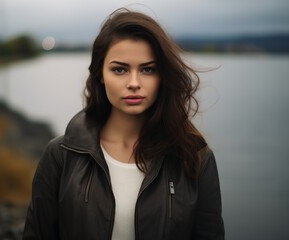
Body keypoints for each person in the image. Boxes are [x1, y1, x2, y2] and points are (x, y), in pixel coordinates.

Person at [23, 8, 224, 240]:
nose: (134, 83)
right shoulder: (60, 156)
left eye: (148, 69)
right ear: (100, 74)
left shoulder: (196, 158)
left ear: (163, 76)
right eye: (120, 69)